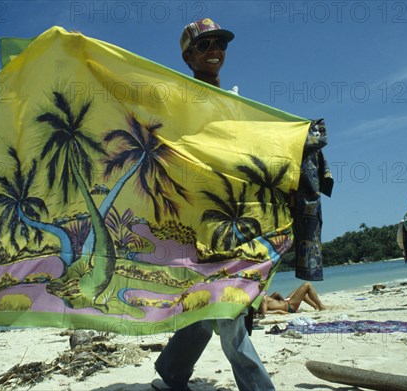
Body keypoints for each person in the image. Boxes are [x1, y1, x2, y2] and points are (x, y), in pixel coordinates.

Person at [152, 18, 275, 391]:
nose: (215, 51)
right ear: (188, 56)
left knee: (212, 303)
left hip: (235, 213)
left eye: (220, 43)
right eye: (205, 46)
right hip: (198, 218)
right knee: (227, 305)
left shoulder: (235, 100)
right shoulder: (181, 100)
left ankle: (172, 372)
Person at [259, 282, 326, 315]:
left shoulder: (264, 296)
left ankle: (316, 307)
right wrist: (278, 311)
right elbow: (264, 312)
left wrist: (283, 301)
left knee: (298, 291)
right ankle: (321, 307)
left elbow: (275, 295)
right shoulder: (263, 298)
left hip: (287, 303)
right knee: (307, 285)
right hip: (289, 307)